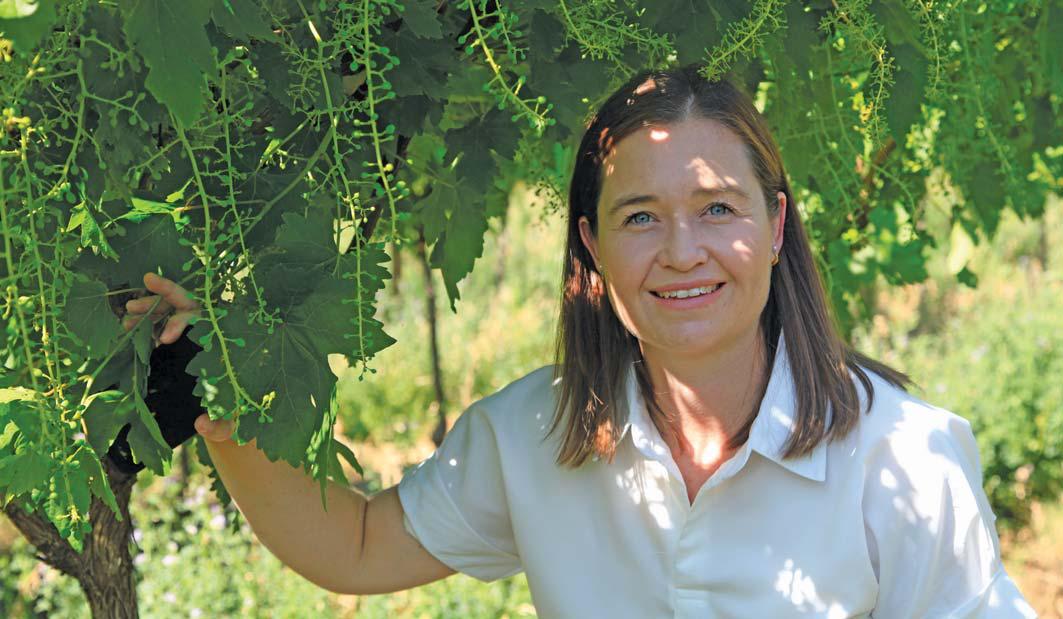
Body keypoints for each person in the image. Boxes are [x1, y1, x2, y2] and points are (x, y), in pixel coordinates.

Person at [123, 67, 1036, 617]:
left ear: (775, 224)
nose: (683, 252)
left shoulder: (905, 460)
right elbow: (359, 547)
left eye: (717, 207)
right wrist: (222, 412)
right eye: (640, 216)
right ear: (593, 247)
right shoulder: (536, 434)